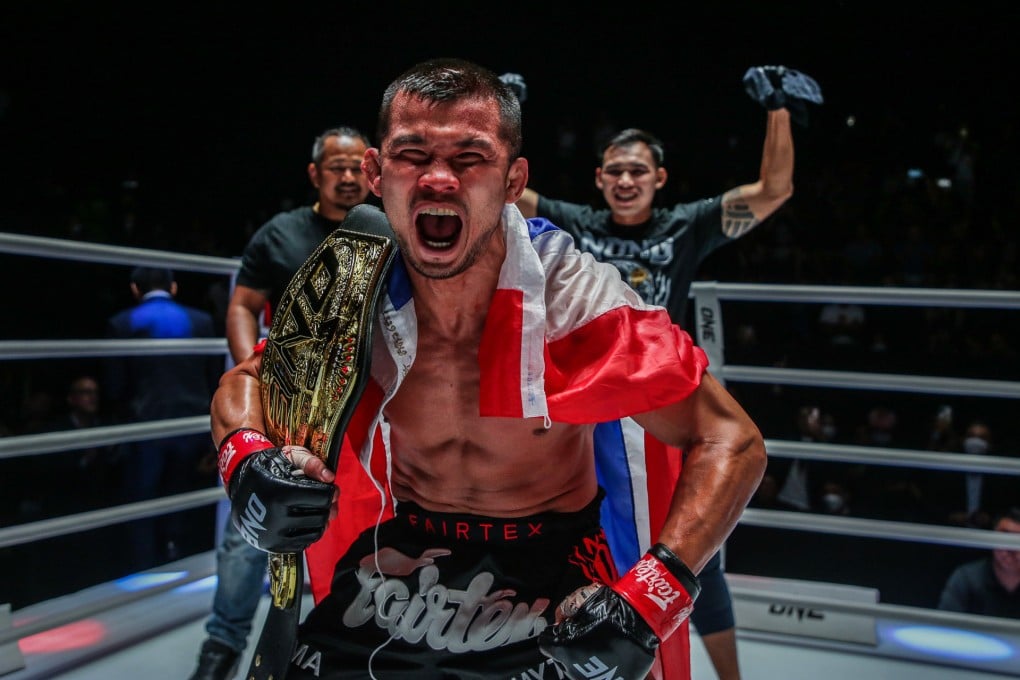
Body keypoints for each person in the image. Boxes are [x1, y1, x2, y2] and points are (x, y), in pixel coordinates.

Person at [209, 58, 766, 680]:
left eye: (470, 158)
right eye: (412, 154)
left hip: (553, 561)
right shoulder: (355, 291)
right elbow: (250, 381)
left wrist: (651, 596)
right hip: (405, 549)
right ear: (375, 174)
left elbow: (731, 438)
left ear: (513, 180)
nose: (438, 179)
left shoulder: (572, 296)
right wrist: (247, 458)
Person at [513, 65, 820, 680]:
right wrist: (506, 117)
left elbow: (774, 189)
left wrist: (778, 108)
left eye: (637, 171)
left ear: (659, 178)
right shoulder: (579, 224)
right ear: (599, 178)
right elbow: (501, 188)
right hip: (591, 413)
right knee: (581, 539)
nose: (626, 181)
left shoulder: (684, 225)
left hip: (664, 410)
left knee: (694, 549)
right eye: (615, 171)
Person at [188, 126, 374, 680]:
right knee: (252, 522)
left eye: (356, 167)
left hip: (366, 409)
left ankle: (338, 648)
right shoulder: (281, 233)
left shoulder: (389, 232)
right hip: (289, 403)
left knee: (356, 530)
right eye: (336, 168)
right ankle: (222, 646)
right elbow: (242, 305)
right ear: (315, 174)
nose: (348, 178)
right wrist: (258, 374)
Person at [104, 266, 221, 570]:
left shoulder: (123, 322)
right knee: (183, 496)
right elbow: (214, 378)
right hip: (192, 423)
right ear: (173, 287)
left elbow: (115, 386)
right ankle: (178, 556)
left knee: (143, 501)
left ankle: (143, 565)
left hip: (146, 425)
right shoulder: (201, 321)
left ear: (135, 289)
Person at [937, 507, 1020, 618]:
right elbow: (945, 625)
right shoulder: (966, 578)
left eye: (1017, 541)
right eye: (1004, 537)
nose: (1010, 549)